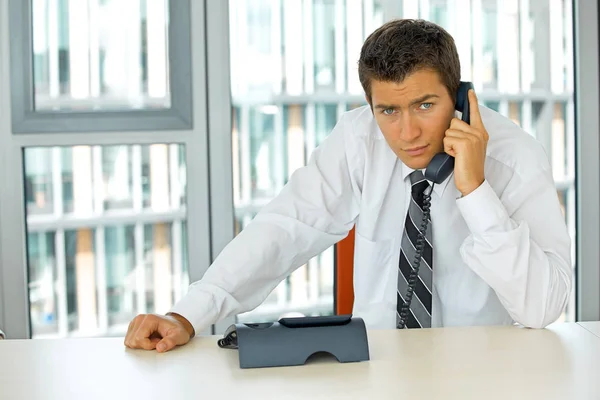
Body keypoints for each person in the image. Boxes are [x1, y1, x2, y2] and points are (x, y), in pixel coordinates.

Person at [124, 19, 572, 353]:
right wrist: (188, 314)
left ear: (458, 96)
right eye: (388, 111)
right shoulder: (359, 138)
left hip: (485, 375)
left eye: (425, 104)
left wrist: (475, 192)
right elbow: (285, 226)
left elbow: (542, 307)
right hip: (377, 373)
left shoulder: (514, 158)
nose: (408, 132)